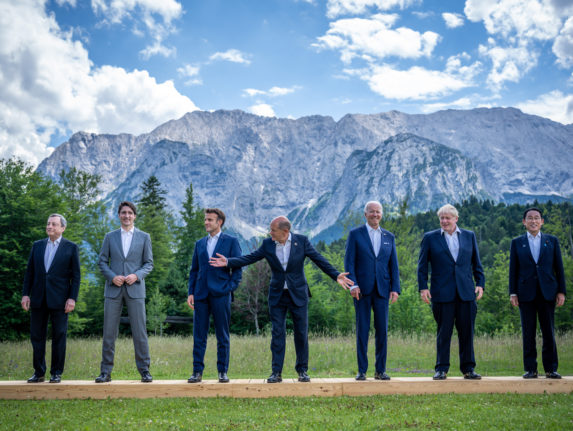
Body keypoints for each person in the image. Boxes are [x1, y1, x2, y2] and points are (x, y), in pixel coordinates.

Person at [210, 216, 353, 383]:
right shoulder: (268, 244)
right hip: (277, 295)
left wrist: (336, 275)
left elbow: (318, 259)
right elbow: (249, 258)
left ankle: (302, 371)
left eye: (273, 230)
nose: (270, 232)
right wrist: (228, 262)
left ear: (285, 231)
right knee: (277, 333)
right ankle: (276, 372)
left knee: (301, 333)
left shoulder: (302, 241)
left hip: (298, 294)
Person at [417, 204, 485, 380]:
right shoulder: (430, 238)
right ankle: (441, 369)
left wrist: (480, 283)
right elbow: (422, 266)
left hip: (466, 292)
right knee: (444, 332)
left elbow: (476, 262)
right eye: (442, 218)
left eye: (448, 218)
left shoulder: (469, 236)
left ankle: (468, 369)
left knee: (467, 332)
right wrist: (423, 287)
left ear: (456, 219)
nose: (444, 221)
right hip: (441, 293)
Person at [95, 201, 154, 383]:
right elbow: (102, 261)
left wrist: (136, 275)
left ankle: (144, 371)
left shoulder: (144, 237)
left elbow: (149, 264)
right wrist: (112, 277)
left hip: (135, 289)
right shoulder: (110, 237)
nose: (126, 216)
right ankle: (105, 372)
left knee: (140, 332)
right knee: (109, 332)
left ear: (134, 216)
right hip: (113, 290)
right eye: (123, 213)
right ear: (119, 215)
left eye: (130, 213)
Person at [21, 214, 81, 383]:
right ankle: (39, 372)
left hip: (60, 300)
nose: (50, 226)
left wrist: (72, 298)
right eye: (48, 223)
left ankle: (56, 373)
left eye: (54, 224)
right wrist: (26, 294)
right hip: (38, 298)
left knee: (59, 336)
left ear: (62, 228)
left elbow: (76, 276)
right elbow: (29, 273)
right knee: (37, 336)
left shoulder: (71, 247)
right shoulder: (37, 246)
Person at [345, 201, 400, 381]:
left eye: (378, 212)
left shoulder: (389, 236)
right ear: (365, 214)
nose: (375, 215)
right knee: (362, 330)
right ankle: (362, 371)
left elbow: (393, 265)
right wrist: (353, 284)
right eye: (371, 212)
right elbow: (349, 262)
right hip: (361, 290)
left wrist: (395, 288)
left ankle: (380, 370)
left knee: (382, 331)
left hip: (383, 290)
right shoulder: (355, 234)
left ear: (381, 214)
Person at [509, 207, 566, 379]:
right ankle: (530, 369)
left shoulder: (552, 241)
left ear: (542, 221)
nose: (533, 221)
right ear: (524, 222)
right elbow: (514, 269)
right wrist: (513, 293)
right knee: (528, 332)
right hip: (525, 293)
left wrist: (561, 291)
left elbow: (559, 268)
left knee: (548, 331)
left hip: (548, 292)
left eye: (536, 218)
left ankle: (551, 369)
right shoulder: (517, 242)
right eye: (529, 218)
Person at [187, 208, 243, 383]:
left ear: (219, 222)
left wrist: (230, 287)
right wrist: (191, 292)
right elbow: (194, 270)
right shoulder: (200, 243)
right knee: (199, 335)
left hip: (221, 294)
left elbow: (238, 268)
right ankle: (197, 372)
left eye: (209, 220)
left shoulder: (231, 241)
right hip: (201, 295)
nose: (206, 222)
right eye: (205, 219)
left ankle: (222, 372)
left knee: (222, 335)